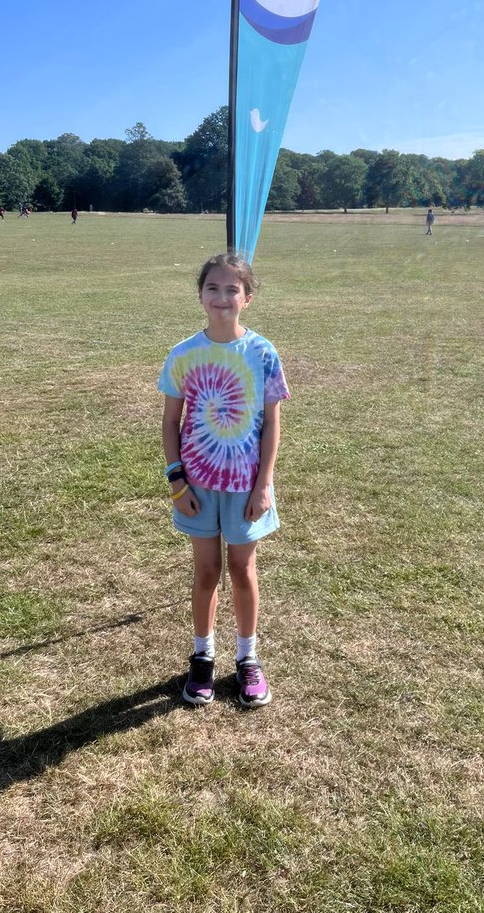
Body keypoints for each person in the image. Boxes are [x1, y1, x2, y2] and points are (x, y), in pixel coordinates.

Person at [158, 252, 290, 708]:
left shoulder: (262, 353)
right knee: (207, 571)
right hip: (196, 486)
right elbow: (170, 422)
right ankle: (203, 657)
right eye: (212, 288)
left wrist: (264, 484)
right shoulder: (183, 354)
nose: (221, 297)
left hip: (246, 487)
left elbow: (272, 423)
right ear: (200, 295)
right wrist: (177, 483)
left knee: (242, 570)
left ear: (247, 298)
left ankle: (248, 658)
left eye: (232, 289)